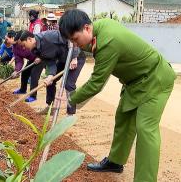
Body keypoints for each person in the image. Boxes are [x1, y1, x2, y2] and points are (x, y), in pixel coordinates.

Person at [58, 9, 176, 182]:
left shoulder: (108, 42)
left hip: (155, 79)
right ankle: (115, 162)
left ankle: (146, 179)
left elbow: (96, 83)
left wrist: (71, 98)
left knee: (146, 128)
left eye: (75, 39)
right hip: (136, 82)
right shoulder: (100, 27)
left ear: (87, 28)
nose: (75, 45)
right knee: (123, 118)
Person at [20, 30, 81, 114]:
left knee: (69, 84)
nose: (24, 48)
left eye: (24, 45)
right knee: (50, 82)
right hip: (63, 60)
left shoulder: (48, 36)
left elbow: (69, 36)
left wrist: (74, 57)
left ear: (29, 39)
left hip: (76, 57)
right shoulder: (35, 50)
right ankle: (50, 108)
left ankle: (70, 114)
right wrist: (50, 75)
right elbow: (50, 62)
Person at [8, 30, 44, 103]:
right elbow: (19, 61)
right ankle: (22, 90)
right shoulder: (14, 48)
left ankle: (33, 96)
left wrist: (40, 57)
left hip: (40, 59)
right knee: (24, 73)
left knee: (34, 75)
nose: (7, 40)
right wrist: (16, 70)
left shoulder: (28, 41)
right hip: (32, 60)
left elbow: (42, 48)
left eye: (8, 38)